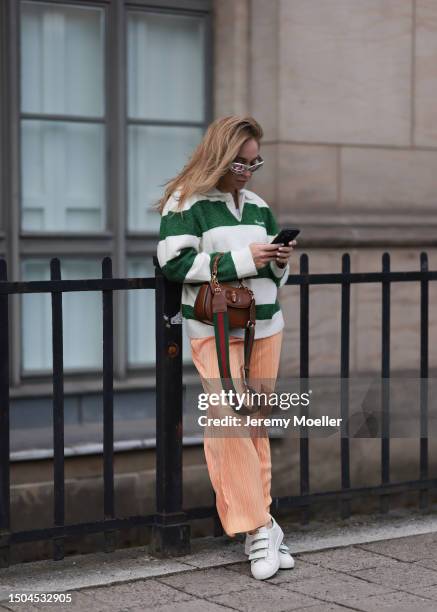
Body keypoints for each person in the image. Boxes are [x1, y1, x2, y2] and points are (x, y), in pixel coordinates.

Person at [155, 116, 297, 580]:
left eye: (256, 163)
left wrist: (277, 261)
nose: (249, 172)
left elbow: (274, 278)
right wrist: (244, 258)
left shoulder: (258, 206)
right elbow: (174, 262)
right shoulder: (186, 202)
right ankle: (257, 527)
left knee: (254, 423)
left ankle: (266, 525)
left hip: (265, 325)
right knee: (227, 421)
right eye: (241, 163)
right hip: (213, 327)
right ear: (220, 155)